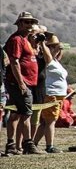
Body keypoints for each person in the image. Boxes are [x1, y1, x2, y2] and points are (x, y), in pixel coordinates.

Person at [4, 12, 42, 155]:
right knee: (26, 113)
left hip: (26, 82)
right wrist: (21, 83)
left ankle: (11, 145)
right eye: (26, 22)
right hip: (20, 83)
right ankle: (28, 144)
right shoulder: (16, 40)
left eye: (31, 22)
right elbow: (14, 62)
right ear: (19, 24)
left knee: (15, 114)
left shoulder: (26, 39)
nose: (30, 25)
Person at [33, 34, 67, 153]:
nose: (56, 49)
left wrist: (59, 50)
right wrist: (48, 46)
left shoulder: (56, 62)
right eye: (52, 47)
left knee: (45, 122)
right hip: (51, 94)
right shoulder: (47, 61)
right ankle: (49, 146)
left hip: (57, 95)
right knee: (50, 121)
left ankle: (34, 143)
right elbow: (48, 57)